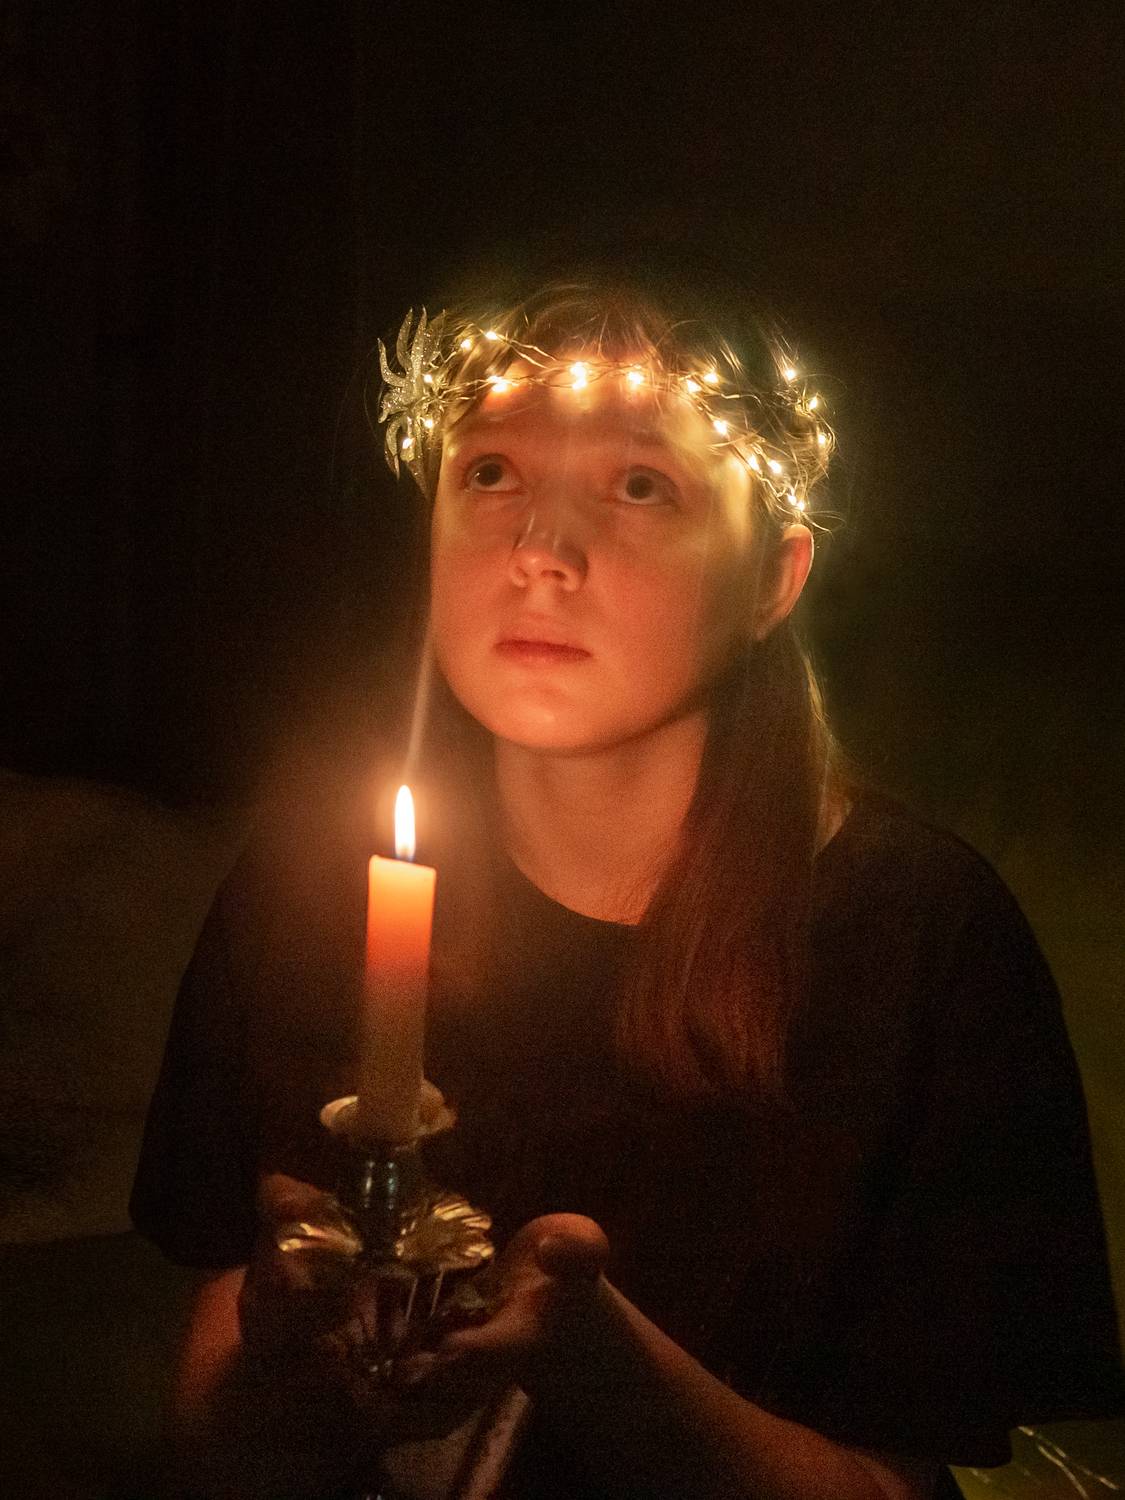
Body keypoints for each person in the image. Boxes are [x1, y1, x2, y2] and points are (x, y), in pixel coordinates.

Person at [131, 279, 1124, 1499]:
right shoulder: (319, 880)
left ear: (774, 580)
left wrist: (606, 1371)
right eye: (491, 472)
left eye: (641, 485)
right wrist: (285, 1358)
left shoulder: (919, 944)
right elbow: (213, 1441)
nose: (539, 554)